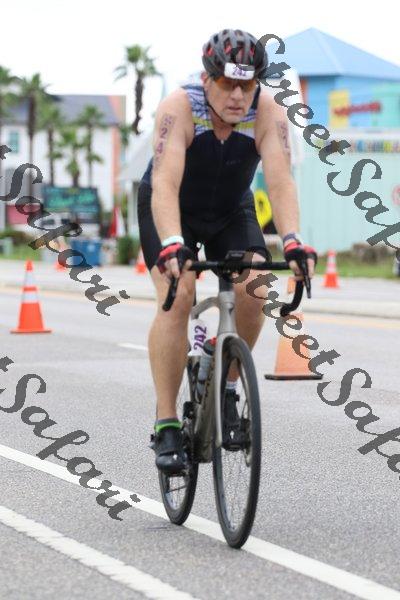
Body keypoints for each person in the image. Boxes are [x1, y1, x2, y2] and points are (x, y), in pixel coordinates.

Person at [138, 29, 317, 474]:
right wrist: (173, 243)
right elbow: (165, 183)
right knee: (178, 295)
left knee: (256, 289)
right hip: (172, 208)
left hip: (229, 210)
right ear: (207, 78)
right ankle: (166, 423)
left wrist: (292, 239)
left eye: (247, 84)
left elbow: (280, 179)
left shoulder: (267, 110)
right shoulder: (180, 107)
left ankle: (228, 388)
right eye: (227, 83)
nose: (238, 95)